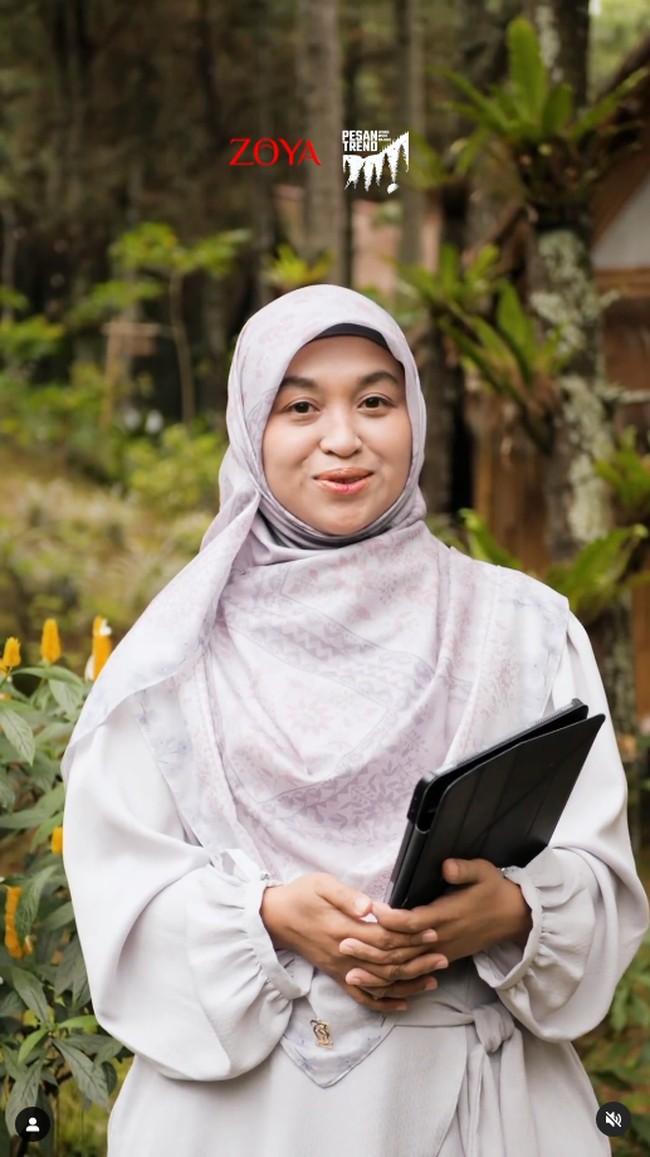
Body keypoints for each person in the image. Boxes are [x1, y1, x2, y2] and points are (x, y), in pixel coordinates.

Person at [62, 284, 649, 1156]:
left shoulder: (521, 631)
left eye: (375, 400)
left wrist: (514, 910)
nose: (345, 436)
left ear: (411, 416)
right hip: (243, 1122)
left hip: (476, 1104)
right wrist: (265, 913)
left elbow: (600, 879)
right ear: (251, 430)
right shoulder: (174, 656)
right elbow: (121, 893)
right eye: (300, 406)